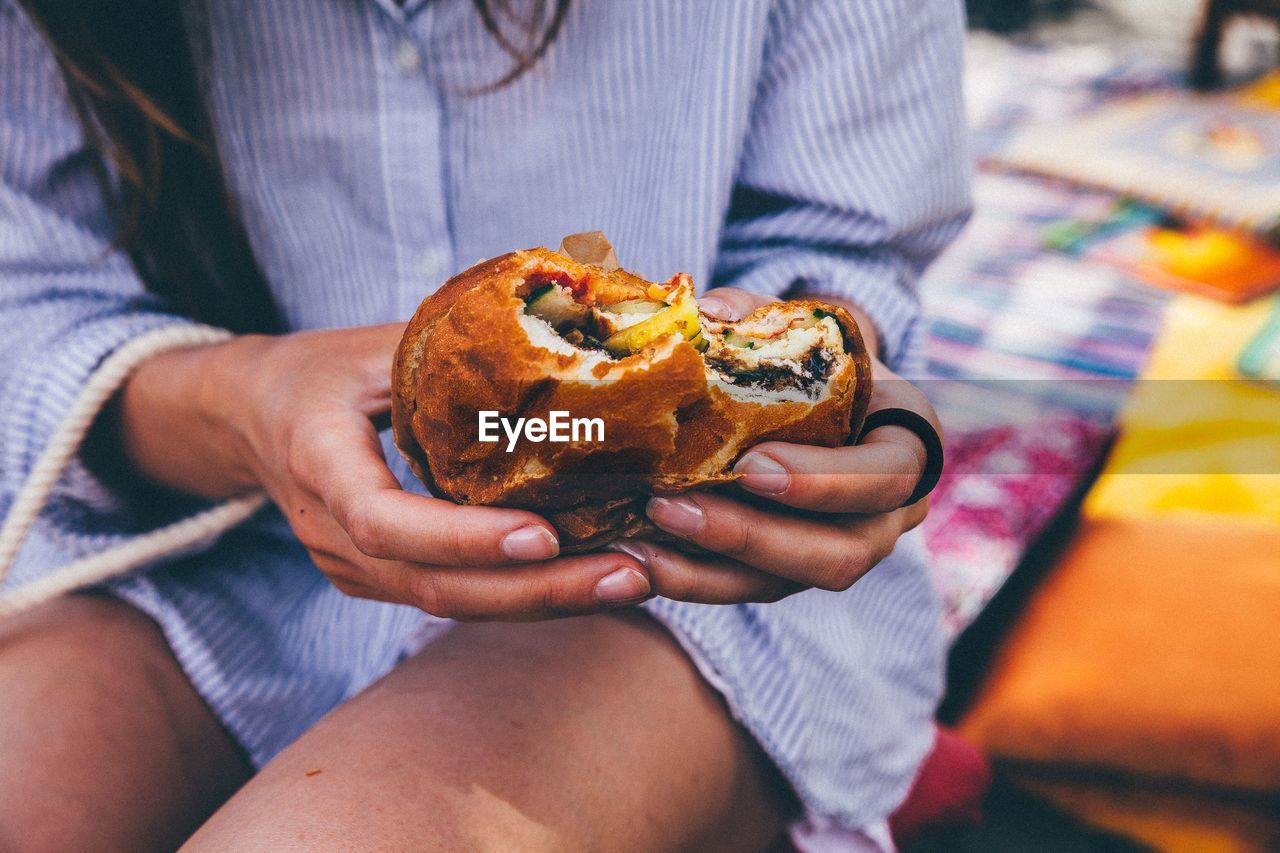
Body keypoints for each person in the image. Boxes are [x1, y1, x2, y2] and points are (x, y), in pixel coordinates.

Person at [0, 0, 971, 849]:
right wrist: (243, 397)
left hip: (675, 586)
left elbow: (840, 249)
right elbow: (25, 301)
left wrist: (830, 372)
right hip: (204, 552)